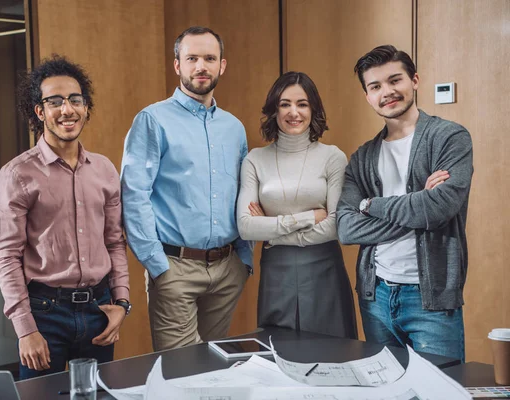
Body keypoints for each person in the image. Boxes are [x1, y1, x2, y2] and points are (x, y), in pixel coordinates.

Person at [0, 55, 131, 380]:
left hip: (98, 309)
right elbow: (6, 257)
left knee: (99, 394)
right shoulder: (17, 175)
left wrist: (121, 303)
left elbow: (114, 242)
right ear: (39, 111)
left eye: (74, 100)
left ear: (85, 107)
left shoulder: (104, 170)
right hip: (44, 313)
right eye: (54, 102)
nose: (66, 109)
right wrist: (25, 329)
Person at [336, 45, 473, 361]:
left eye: (394, 80)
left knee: (440, 391)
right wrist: (417, 205)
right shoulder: (362, 158)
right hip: (375, 296)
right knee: (388, 392)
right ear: (368, 96)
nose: (387, 92)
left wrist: (370, 205)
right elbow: (345, 228)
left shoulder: (449, 138)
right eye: (375, 86)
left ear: (414, 80)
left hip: (431, 299)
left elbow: (438, 209)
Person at [121, 26, 253, 351]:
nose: (201, 67)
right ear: (177, 65)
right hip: (174, 267)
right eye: (191, 58)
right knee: (181, 372)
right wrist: (156, 265)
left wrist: (244, 258)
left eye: (209, 58)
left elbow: (244, 193)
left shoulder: (234, 128)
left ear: (222, 65)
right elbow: (133, 195)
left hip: (227, 269)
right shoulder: (152, 120)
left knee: (214, 369)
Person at [237, 71, 357, 338]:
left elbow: (336, 226)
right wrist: (307, 218)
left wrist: (273, 231)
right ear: (274, 110)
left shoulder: (332, 157)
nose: (294, 112)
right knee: (279, 358)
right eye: (285, 104)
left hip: (324, 269)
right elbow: (246, 227)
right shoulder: (255, 160)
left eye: (302, 104)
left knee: (333, 355)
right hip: (275, 272)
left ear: (313, 108)